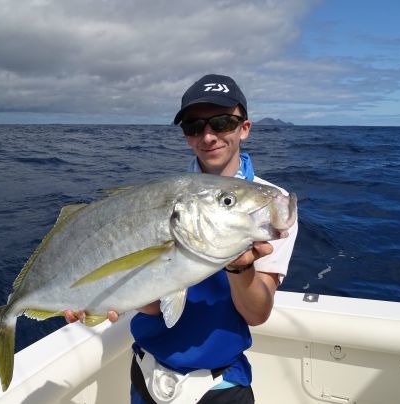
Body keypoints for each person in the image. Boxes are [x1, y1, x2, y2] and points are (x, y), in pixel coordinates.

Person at [65, 74, 298, 404]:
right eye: (193, 126)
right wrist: (106, 298)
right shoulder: (163, 200)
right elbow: (155, 306)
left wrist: (240, 269)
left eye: (222, 122)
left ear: (244, 127)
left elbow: (256, 314)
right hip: (146, 374)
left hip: (220, 387)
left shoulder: (269, 203)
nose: (208, 136)